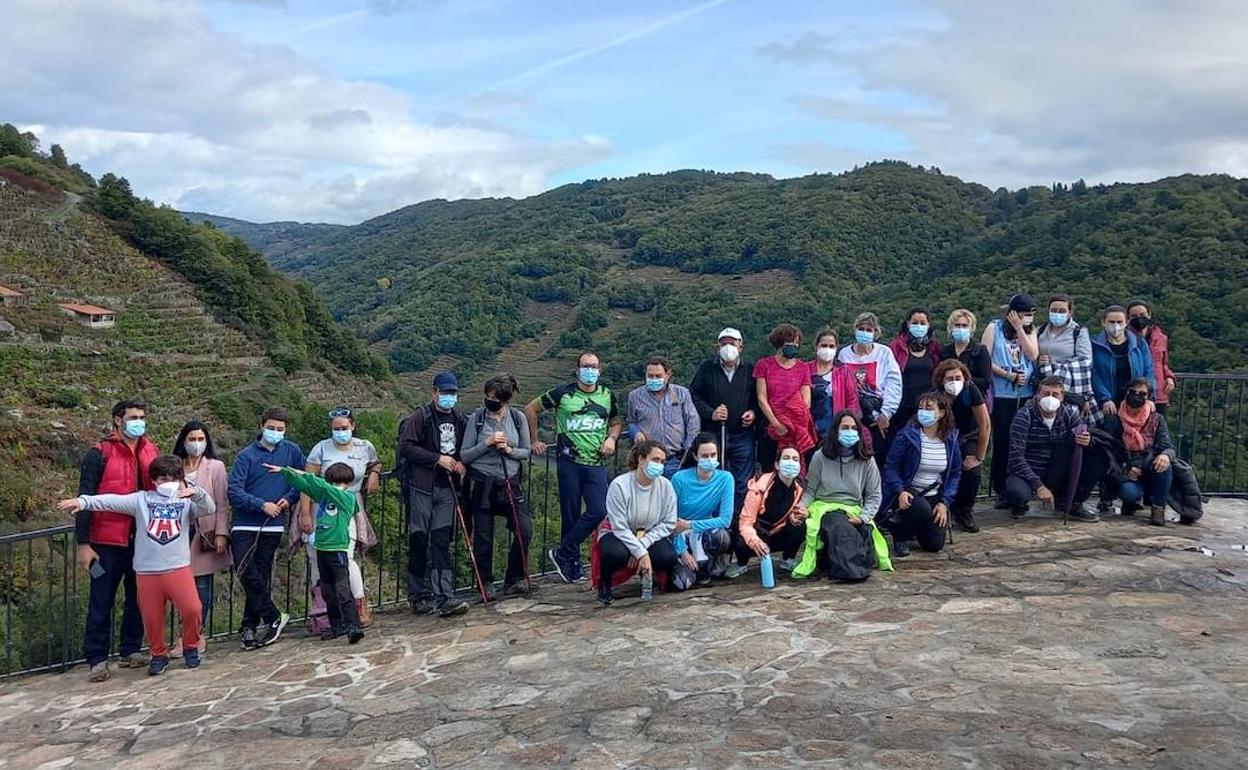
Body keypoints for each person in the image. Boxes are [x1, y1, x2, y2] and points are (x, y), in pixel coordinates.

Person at [59, 454, 214, 676]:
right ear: (153, 480)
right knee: (152, 617)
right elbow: (109, 500)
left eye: (172, 478)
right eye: (162, 478)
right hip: (147, 570)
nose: (167, 482)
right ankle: (158, 655)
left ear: (180, 479)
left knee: (193, 609)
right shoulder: (141, 500)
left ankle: (191, 647)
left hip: (178, 567)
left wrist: (196, 492)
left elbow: (209, 507)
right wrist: (82, 501)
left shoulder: (186, 501)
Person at [74, 399, 157, 682]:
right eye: (134, 416)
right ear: (117, 420)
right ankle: (97, 658)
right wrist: (84, 544)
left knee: (138, 597)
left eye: (142, 416)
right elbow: (85, 500)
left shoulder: (150, 450)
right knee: (101, 600)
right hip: (105, 542)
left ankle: (130, 650)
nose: (139, 421)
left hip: (142, 540)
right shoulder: (98, 455)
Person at [528, 352, 621, 584]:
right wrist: (534, 440)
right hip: (568, 462)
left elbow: (617, 422)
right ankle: (572, 565)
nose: (589, 370)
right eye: (585, 366)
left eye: (594, 366)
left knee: (599, 509)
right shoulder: (563, 393)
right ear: (577, 369)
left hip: (596, 462)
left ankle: (563, 552)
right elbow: (530, 409)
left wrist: (612, 439)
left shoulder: (607, 395)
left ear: (600, 370)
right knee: (570, 514)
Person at [228, 407, 304, 649]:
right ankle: (273, 616)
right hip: (244, 525)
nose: (275, 432)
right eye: (271, 428)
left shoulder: (291, 450)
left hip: (273, 527)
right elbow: (234, 491)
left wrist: (289, 498)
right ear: (261, 426)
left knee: (260, 576)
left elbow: (301, 477)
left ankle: (249, 627)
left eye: (280, 429)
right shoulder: (246, 456)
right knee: (244, 570)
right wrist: (261, 505)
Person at [399, 371, 471, 618]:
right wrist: (436, 459)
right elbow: (406, 447)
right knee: (418, 539)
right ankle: (418, 595)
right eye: (445, 392)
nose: (449, 397)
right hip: (422, 487)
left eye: (453, 393)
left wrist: (461, 462)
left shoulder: (460, 419)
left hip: (447, 488)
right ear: (434, 392)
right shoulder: (421, 416)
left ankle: (445, 596)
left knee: (441, 541)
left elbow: (463, 450)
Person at [268, 461, 364, 643]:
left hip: (338, 550)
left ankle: (353, 625)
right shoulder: (325, 495)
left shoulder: (348, 498)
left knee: (343, 590)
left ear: (348, 484)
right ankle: (337, 625)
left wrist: (307, 475)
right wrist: (287, 473)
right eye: (334, 483)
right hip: (322, 549)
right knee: (327, 590)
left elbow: (320, 485)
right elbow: (306, 486)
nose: (337, 487)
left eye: (340, 483)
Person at [303, 407, 381, 628]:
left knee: (346, 557)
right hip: (324, 509)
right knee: (317, 560)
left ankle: (358, 605)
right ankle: (323, 613)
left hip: (349, 509)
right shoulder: (320, 449)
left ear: (353, 426)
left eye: (344, 428)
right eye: (336, 428)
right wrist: (305, 513)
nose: (340, 432)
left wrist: (374, 473)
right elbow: (309, 482)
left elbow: (375, 462)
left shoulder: (364, 447)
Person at [462, 374, 534, 601]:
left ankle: (513, 578)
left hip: (509, 483)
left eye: (494, 398)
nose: (489, 401)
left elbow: (526, 451)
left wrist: (509, 450)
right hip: (482, 483)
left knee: (524, 529)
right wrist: (487, 443)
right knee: (483, 536)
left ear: (505, 399)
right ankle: (485, 582)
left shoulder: (518, 418)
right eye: (487, 396)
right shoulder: (477, 418)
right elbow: (465, 454)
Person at [793, 411, 887, 582]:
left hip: (854, 509)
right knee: (837, 525)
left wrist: (863, 517)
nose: (849, 432)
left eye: (853, 428)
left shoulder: (867, 460)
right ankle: (851, 571)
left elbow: (874, 495)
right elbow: (811, 490)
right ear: (836, 430)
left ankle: (846, 565)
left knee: (859, 530)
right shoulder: (820, 456)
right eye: (845, 428)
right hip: (825, 506)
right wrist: (801, 507)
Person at [171, 420, 229, 658]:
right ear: (183, 441)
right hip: (177, 532)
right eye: (192, 439)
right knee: (178, 587)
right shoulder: (174, 466)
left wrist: (221, 533)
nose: (196, 444)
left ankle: (196, 635)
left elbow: (222, 502)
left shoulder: (215, 467)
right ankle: (183, 634)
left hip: (203, 533)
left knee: (201, 586)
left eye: (200, 439)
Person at [596, 441, 679, 606]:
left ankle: (652, 577)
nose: (660, 465)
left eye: (662, 462)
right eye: (655, 460)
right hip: (617, 533)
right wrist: (642, 553)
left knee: (667, 557)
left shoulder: (666, 486)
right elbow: (619, 526)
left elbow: (669, 523)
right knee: (615, 554)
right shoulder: (620, 485)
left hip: (648, 533)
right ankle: (604, 583)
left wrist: (641, 546)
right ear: (641, 459)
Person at [881, 391, 961, 557]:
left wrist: (945, 502)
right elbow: (891, 467)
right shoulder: (907, 435)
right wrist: (900, 491)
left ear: (941, 413)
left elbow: (954, 474)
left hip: (934, 495)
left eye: (929, 408)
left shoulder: (951, 440)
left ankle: (917, 528)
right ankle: (900, 536)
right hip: (908, 493)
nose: (923, 411)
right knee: (921, 509)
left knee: (934, 545)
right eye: (920, 408)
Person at [1004, 377, 1096, 521]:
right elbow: (1016, 457)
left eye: (1055, 395)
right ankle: (1019, 505)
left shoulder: (1069, 414)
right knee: (1017, 493)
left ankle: (1072, 503)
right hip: (1030, 469)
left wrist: (1087, 440)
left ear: (1062, 397)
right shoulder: (1024, 416)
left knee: (1095, 457)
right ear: (1038, 394)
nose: (1050, 398)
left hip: (1057, 469)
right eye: (1046, 394)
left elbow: (1082, 431)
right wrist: (1039, 486)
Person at [689, 328, 758, 509]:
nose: (728, 347)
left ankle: (737, 525)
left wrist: (753, 413)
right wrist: (710, 412)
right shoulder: (706, 368)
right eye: (724, 343)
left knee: (742, 483)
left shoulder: (750, 370)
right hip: (713, 436)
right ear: (717, 346)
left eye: (732, 343)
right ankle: (712, 522)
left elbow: (759, 398)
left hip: (742, 435)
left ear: (741, 346)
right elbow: (694, 396)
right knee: (712, 479)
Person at [983, 294, 1040, 503]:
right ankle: (1000, 487)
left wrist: (1019, 330)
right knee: (1003, 440)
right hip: (1001, 393)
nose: (1029, 318)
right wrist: (1008, 375)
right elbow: (985, 359)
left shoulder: (1030, 330)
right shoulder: (994, 328)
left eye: (1032, 315)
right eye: (1025, 314)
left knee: (1022, 440)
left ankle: (1020, 484)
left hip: (1025, 394)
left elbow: (1032, 354)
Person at [1100, 378, 1175, 526]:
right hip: (1125, 468)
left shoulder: (1156, 419)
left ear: (1149, 398)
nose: (1136, 396)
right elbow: (1108, 452)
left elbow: (1168, 446)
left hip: (1148, 465)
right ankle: (1131, 500)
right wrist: (1125, 469)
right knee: (1129, 493)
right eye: (1132, 392)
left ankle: (1158, 508)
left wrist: (1165, 455)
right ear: (1126, 393)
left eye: (1142, 393)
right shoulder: (1114, 420)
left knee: (1165, 466)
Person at [728, 447, 808, 579]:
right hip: (756, 533)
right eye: (786, 458)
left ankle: (788, 559)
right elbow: (746, 522)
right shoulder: (759, 486)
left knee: (802, 525)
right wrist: (755, 541)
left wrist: (799, 514)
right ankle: (741, 564)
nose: (791, 462)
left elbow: (795, 509)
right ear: (777, 464)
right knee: (741, 540)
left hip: (777, 533)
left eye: (795, 459)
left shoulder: (798, 488)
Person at [669, 433, 735, 587]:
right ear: (695, 456)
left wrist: (691, 525)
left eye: (713, 455)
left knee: (721, 537)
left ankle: (708, 563)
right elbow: (671, 520)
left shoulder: (726, 479)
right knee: (682, 583)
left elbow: (725, 520)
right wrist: (682, 551)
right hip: (678, 534)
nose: (710, 459)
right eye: (704, 455)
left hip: (702, 531)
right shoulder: (679, 479)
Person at [932, 360, 990, 533]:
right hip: (942, 439)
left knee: (972, 472)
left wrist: (979, 456)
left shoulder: (971, 391)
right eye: (950, 378)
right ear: (941, 380)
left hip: (967, 438)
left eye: (958, 377)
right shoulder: (935, 395)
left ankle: (964, 511)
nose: (954, 381)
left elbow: (985, 425)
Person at [837, 312, 902, 461]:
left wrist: (887, 413)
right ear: (855, 330)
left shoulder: (884, 352)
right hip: (852, 415)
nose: (864, 333)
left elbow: (894, 383)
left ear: (875, 332)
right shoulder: (844, 354)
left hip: (877, 414)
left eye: (869, 330)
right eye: (861, 328)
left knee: (877, 457)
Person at [753, 323, 817, 469]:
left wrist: (792, 422)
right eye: (790, 343)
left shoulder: (803, 367)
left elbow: (806, 400)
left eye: (796, 342)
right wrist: (776, 424)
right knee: (769, 468)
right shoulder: (763, 365)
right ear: (779, 344)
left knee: (795, 468)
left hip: (796, 426)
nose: (793, 346)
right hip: (770, 425)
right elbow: (762, 398)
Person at [626, 356, 700, 477]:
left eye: (658, 376)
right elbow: (631, 421)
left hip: (675, 459)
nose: (654, 379)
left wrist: (688, 450)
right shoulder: (634, 396)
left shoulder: (682, 394)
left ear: (667, 374)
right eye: (650, 376)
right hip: (648, 459)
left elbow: (693, 422)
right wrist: (636, 432)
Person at [886, 307, 942, 444]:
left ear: (929, 325)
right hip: (901, 407)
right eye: (915, 322)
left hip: (926, 409)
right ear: (907, 324)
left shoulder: (934, 348)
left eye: (923, 323)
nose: (919, 326)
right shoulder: (896, 347)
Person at [1092, 305, 1157, 418]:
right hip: (1108, 404)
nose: (1116, 326)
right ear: (1103, 322)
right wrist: (1105, 398)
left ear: (1126, 322)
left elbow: (1148, 370)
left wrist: (1150, 397)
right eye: (1111, 322)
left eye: (1119, 322)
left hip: (1135, 401)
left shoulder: (1139, 343)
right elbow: (1094, 374)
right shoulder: (1095, 345)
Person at [1036, 294, 1093, 408]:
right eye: (1054, 310)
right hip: (1042, 383)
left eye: (1062, 311)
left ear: (1070, 312)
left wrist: (1053, 363)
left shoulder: (1078, 332)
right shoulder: (1039, 331)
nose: (1057, 314)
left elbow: (1086, 361)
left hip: (1069, 388)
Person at [1126, 299, 1177, 414]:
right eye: (1134, 316)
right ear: (1128, 318)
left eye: (1142, 315)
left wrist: (1169, 377)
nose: (1139, 318)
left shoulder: (1160, 337)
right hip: (1135, 394)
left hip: (1159, 393)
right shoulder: (1125, 338)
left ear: (1149, 315)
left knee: (1157, 428)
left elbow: (1163, 362)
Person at [809, 327, 860, 440]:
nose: (827, 349)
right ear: (816, 347)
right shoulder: (805, 370)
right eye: (824, 345)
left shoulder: (844, 371)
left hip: (836, 431)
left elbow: (852, 401)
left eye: (831, 346)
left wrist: (847, 426)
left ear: (836, 348)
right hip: (810, 430)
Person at [940, 309, 991, 396]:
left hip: (973, 399)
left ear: (971, 328)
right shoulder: (945, 351)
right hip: (949, 400)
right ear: (951, 328)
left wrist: (962, 381)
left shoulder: (980, 351)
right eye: (957, 325)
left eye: (964, 326)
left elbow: (986, 381)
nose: (961, 329)